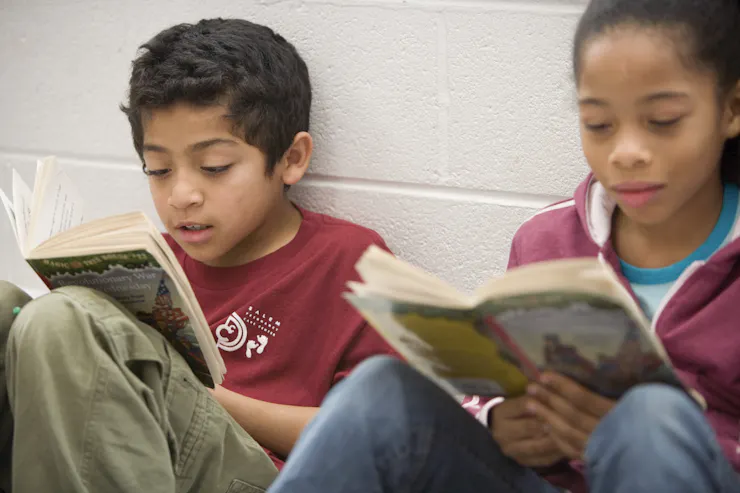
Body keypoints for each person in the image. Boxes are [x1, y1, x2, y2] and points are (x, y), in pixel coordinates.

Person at [265, 0, 740, 492]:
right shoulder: (549, 240)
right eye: (599, 125)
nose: (626, 153)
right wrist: (500, 421)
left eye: (663, 120)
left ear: (731, 109)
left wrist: (631, 434)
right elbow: (494, 385)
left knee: (649, 416)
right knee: (379, 390)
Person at [0, 18, 397, 493]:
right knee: (8, 306)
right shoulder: (152, 264)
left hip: (265, 477)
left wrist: (213, 399)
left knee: (61, 322)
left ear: (291, 159)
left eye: (214, 168)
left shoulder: (351, 260)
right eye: (160, 169)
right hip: (148, 458)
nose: (182, 195)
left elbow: (379, 440)